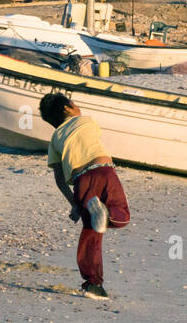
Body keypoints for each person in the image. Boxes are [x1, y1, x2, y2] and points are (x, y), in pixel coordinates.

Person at [39, 93, 130, 300]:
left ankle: (93, 285)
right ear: (67, 108)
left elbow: (60, 179)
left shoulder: (55, 139)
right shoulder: (86, 121)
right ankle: (105, 212)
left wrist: (75, 204)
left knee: (91, 232)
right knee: (122, 215)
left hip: (80, 181)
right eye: (74, 104)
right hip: (103, 170)